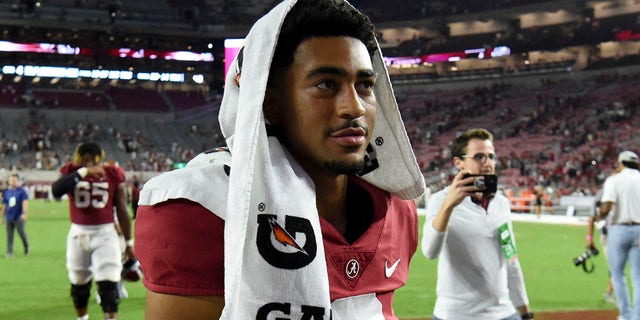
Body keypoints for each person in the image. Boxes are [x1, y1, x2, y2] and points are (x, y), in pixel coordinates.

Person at [134, 0, 425, 319]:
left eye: (365, 85)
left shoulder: (396, 209)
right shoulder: (201, 210)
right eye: (326, 84)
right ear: (269, 103)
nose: (354, 107)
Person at [421, 128, 533, 320]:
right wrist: (449, 205)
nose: (487, 163)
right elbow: (430, 252)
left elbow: (510, 257)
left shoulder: (501, 203)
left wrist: (524, 311)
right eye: (479, 157)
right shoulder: (440, 201)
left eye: (491, 156)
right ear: (459, 163)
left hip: (502, 313)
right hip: (455, 314)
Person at [51, 142, 134, 320]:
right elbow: (56, 191)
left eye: (90, 160)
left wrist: (128, 243)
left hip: (105, 233)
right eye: (84, 160)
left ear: (98, 159)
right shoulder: (72, 171)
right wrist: (83, 173)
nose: (87, 163)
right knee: (79, 285)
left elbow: (122, 209)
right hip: (78, 234)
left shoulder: (112, 173)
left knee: (109, 285)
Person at [595, 150, 640, 320]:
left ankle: (626, 315)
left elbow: (606, 207)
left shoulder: (614, 180)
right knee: (638, 277)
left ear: (621, 163)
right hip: (639, 230)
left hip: (619, 230)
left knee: (617, 275)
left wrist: (598, 217)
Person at [2, 173, 29, 258]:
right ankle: (9, 251)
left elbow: (24, 202)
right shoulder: (7, 192)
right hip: (9, 216)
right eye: (11, 180)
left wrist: (24, 214)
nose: (13, 181)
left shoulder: (21, 191)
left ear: (17, 181)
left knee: (21, 232)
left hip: (18, 216)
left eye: (14, 180)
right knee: (9, 235)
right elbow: (4, 205)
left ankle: (26, 247)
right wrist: (3, 216)